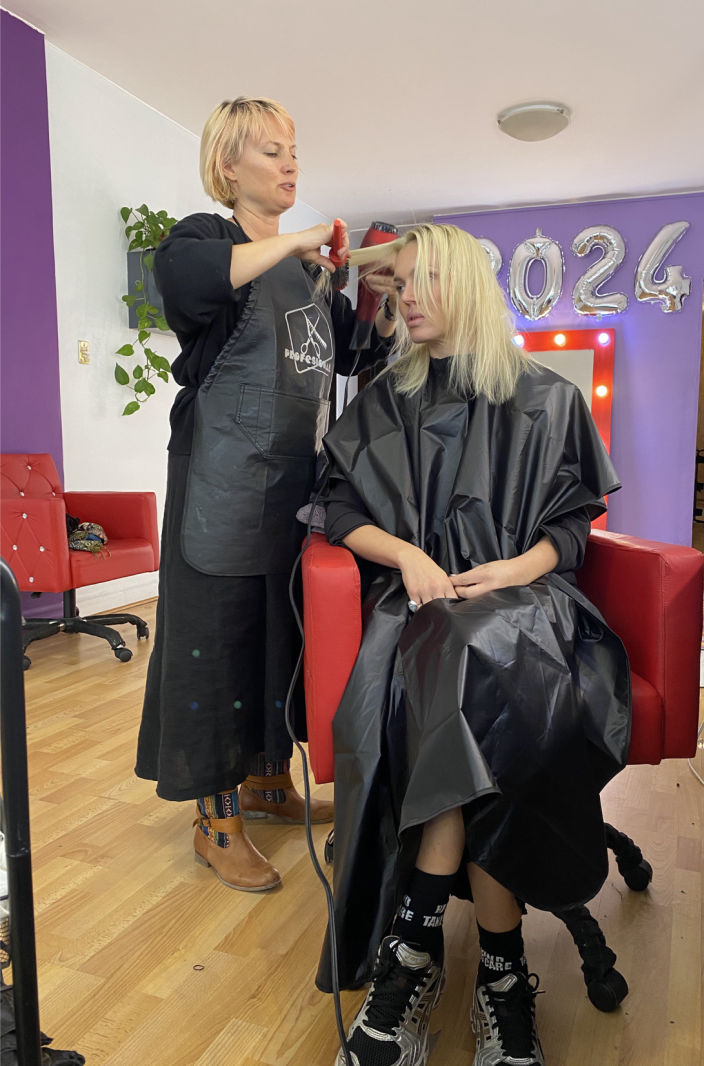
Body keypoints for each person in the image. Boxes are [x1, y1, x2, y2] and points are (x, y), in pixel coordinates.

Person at [315, 223, 631, 1065]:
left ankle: (413, 951)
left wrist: (511, 571)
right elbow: (339, 511)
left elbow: (572, 527)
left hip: (527, 605)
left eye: (420, 280)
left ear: (464, 283)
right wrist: (407, 555)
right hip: (418, 607)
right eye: (395, 284)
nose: (403, 298)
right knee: (458, 660)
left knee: (472, 659)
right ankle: (502, 972)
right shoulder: (384, 399)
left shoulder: (546, 398)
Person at [135, 96, 396, 893]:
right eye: (272, 151)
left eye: (294, 151)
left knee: (277, 643)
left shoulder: (309, 277)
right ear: (228, 166)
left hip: (289, 492)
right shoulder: (204, 240)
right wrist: (302, 240)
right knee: (215, 653)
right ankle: (215, 823)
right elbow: (188, 283)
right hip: (219, 488)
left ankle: (266, 782)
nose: (290, 164)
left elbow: (356, 354)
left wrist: (381, 292)